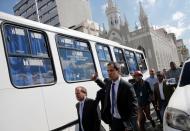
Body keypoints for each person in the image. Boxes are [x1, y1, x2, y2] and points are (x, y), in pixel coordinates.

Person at [92, 62, 138, 131]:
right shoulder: (109, 84)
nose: (109, 73)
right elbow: (104, 86)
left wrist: (130, 124)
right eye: (108, 71)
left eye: (111, 70)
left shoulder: (127, 86)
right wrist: (96, 79)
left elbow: (134, 107)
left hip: (124, 121)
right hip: (113, 120)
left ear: (118, 71)